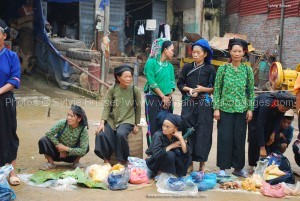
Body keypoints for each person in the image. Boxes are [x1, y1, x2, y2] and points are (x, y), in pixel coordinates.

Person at [213, 38, 255, 177]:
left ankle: (238, 168)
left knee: (239, 139)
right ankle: (223, 168)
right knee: (225, 138)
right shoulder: (223, 69)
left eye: (239, 51)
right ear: (229, 52)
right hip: (225, 109)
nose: (236, 53)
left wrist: (250, 109)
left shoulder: (247, 70)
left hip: (241, 110)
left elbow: (250, 91)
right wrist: (216, 108)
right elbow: (217, 89)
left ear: (244, 53)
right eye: (234, 51)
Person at [177, 39, 215, 172]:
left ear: (205, 54)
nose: (195, 55)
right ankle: (190, 163)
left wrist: (203, 89)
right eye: (194, 52)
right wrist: (189, 90)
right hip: (189, 103)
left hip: (204, 104)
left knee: (204, 133)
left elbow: (214, 88)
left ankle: (202, 164)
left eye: (198, 52)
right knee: (188, 131)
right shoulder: (187, 67)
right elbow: (180, 84)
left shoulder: (210, 69)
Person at [94, 65, 141, 165]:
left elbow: (138, 107)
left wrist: (136, 123)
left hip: (127, 119)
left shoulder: (135, 90)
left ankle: (123, 160)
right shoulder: (112, 89)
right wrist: (102, 122)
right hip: (112, 119)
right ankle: (106, 159)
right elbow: (107, 106)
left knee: (120, 134)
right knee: (101, 133)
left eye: (130, 76)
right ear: (118, 78)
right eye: (126, 76)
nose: (129, 79)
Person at [248, 91, 295, 170]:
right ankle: (253, 164)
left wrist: (273, 133)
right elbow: (260, 124)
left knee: (270, 138)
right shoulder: (266, 104)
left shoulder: (283, 107)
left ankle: (267, 162)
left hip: (271, 115)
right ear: (277, 102)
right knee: (255, 138)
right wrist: (262, 147)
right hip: (256, 118)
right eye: (283, 108)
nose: (283, 111)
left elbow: (277, 120)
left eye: (285, 110)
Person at [0, 19, 21, 186]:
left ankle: (12, 171)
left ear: (4, 36)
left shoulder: (11, 56)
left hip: (5, 100)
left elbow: (14, 79)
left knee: (9, 134)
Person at [144, 38, 175, 146]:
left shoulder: (170, 66)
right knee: (152, 125)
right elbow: (152, 83)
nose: (173, 52)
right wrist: (163, 97)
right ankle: (152, 151)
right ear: (165, 50)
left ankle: (164, 149)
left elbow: (172, 83)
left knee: (167, 125)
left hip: (167, 100)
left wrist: (168, 98)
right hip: (153, 98)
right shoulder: (151, 63)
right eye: (172, 50)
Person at [38, 105, 89, 170]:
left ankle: (76, 163)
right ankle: (50, 163)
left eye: (71, 116)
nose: (68, 118)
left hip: (71, 155)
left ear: (79, 119)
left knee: (86, 145)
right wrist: (59, 145)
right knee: (43, 140)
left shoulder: (83, 129)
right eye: (68, 115)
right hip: (57, 153)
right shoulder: (62, 123)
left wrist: (66, 149)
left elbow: (83, 150)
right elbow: (49, 134)